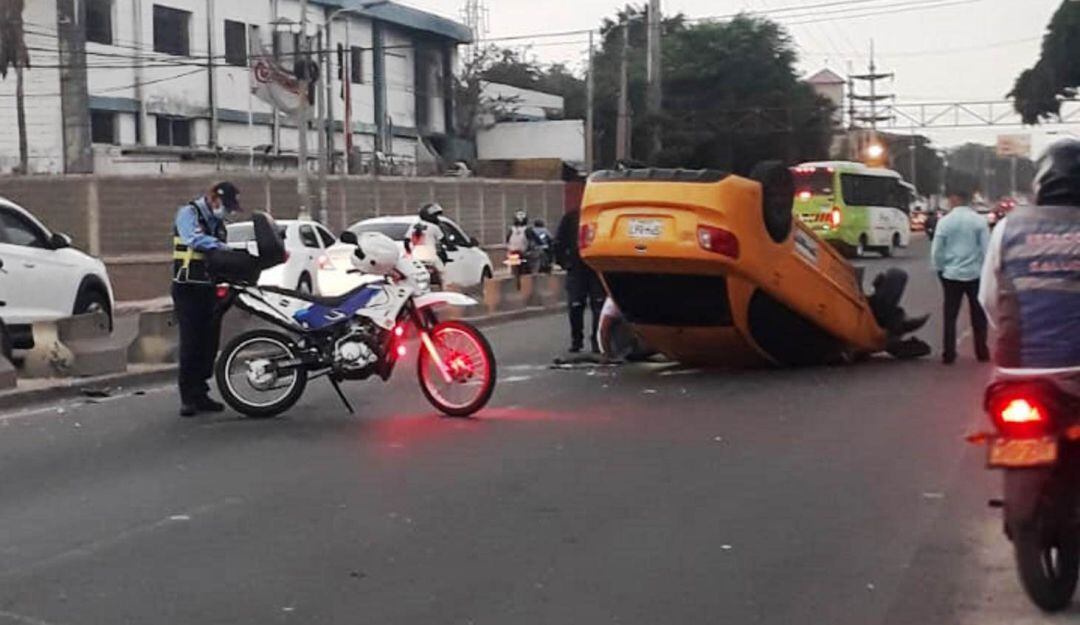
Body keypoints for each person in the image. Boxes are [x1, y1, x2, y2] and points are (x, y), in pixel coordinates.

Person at [979, 139, 1080, 388]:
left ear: (1040, 184)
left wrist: (1012, 331)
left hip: (1016, 366)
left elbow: (988, 298)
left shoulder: (1008, 226)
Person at [172, 182, 241, 416]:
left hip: (209, 289)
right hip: (187, 287)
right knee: (191, 342)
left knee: (209, 344)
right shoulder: (189, 213)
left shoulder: (219, 223)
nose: (227, 211)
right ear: (213, 198)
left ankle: (201, 392)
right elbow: (193, 239)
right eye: (225, 205)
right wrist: (220, 247)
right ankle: (187, 396)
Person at [931, 181, 990, 364]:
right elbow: (986, 249)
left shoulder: (945, 222)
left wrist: (939, 269)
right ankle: (981, 352)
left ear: (954, 200)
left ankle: (949, 354)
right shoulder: (979, 221)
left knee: (950, 315)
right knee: (978, 314)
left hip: (951, 274)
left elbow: (937, 250)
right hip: (975, 274)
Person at [554, 207, 605, 353]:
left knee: (598, 306)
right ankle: (576, 340)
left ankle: (597, 341)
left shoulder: (602, 216)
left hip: (597, 269)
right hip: (576, 269)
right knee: (576, 305)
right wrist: (565, 262)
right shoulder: (571, 217)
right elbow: (559, 242)